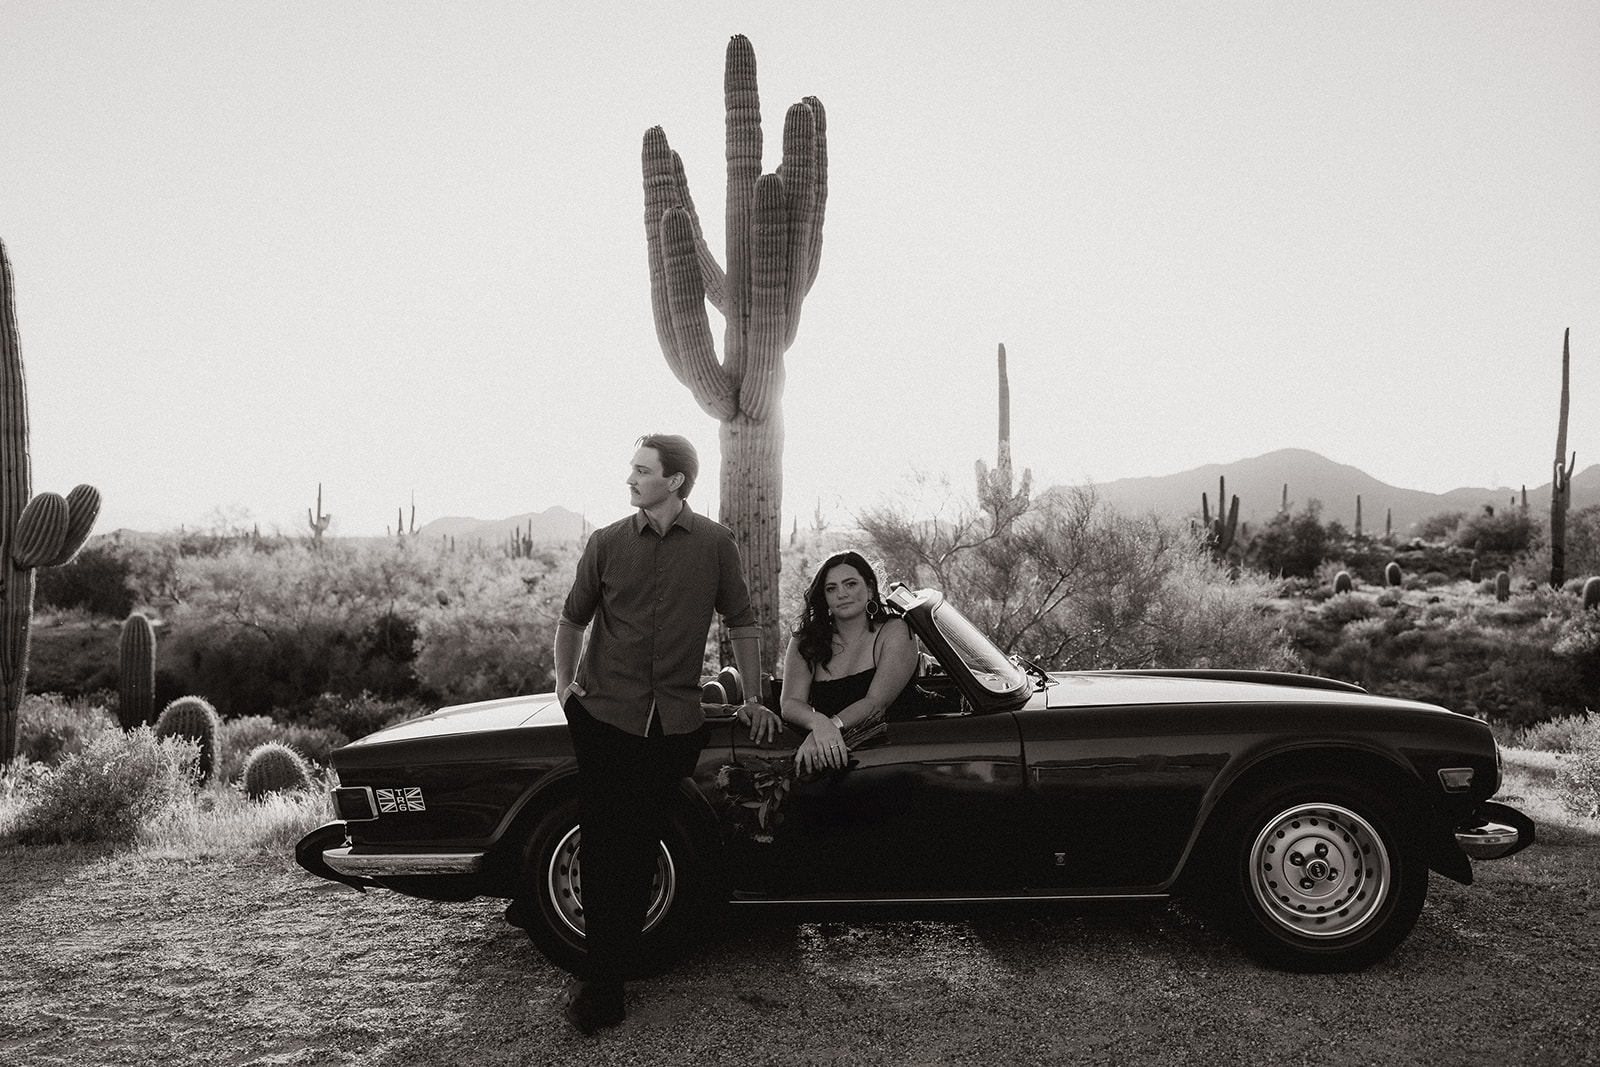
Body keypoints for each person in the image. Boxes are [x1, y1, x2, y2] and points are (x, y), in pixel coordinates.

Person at [550, 433, 782, 1035]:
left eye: (641, 470)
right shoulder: (606, 544)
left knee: (643, 844)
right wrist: (564, 688)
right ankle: (604, 986)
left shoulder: (714, 544)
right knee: (603, 847)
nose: (630, 479)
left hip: (675, 722)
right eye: (631, 468)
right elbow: (572, 618)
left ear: (674, 481)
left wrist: (754, 698)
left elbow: (743, 621)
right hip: (602, 718)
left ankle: (616, 964)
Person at [780, 551, 918, 776]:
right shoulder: (806, 640)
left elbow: (876, 703)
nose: (841, 594)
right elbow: (791, 703)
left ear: (870, 588)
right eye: (831, 588)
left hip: (895, 758)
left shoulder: (895, 630)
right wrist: (818, 723)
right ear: (823, 597)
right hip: (831, 764)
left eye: (850, 584)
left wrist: (830, 726)